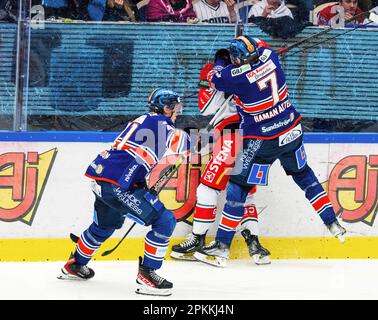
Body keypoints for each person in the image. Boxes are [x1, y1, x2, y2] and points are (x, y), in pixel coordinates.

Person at [193, 35, 347, 267]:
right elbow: (259, 43)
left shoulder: (238, 77)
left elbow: (215, 77)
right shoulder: (270, 57)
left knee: (238, 187)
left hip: (262, 140)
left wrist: (221, 60)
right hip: (292, 131)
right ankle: (332, 222)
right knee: (304, 175)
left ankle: (222, 247)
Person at [58, 88, 190, 296]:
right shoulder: (162, 124)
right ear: (166, 108)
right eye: (175, 107)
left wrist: (139, 183)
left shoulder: (145, 120)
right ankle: (148, 274)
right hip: (116, 184)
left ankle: (75, 264)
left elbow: (136, 155)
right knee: (165, 221)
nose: (178, 112)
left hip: (104, 178)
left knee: (104, 226)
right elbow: (185, 145)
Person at [170, 55, 271, 266]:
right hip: (259, 139)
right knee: (243, 193)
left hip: (233, 135)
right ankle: (255, 245)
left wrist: (218, 74)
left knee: (207, 187)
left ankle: (197, 239)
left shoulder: (217, 72)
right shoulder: (259, 71)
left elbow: (206, 108)